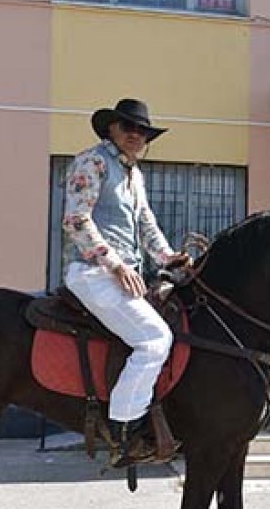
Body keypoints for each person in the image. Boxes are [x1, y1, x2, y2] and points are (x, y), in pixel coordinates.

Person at [60, 98, 190, 468]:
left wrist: (169, 258)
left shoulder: (134, 174)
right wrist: (115, 265)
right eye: (128, 127)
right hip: (93, 273)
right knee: (154, 340)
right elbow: (76, 220)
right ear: (111, 129)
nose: (136, 135)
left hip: (126, 274)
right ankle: (124, 432)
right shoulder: (93, 161)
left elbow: (146, 224)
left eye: (143, 131)